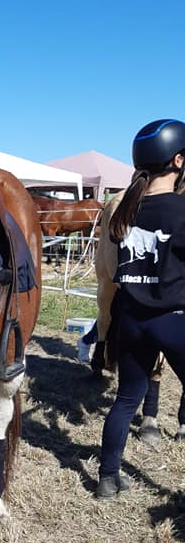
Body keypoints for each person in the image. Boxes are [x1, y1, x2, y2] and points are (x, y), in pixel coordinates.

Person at [96, 119, 185, 499]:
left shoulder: (125, 211)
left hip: (130, 319)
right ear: (179, 161)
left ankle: (106, 478)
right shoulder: (181, 211)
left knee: (125, 400)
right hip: (174, 320)